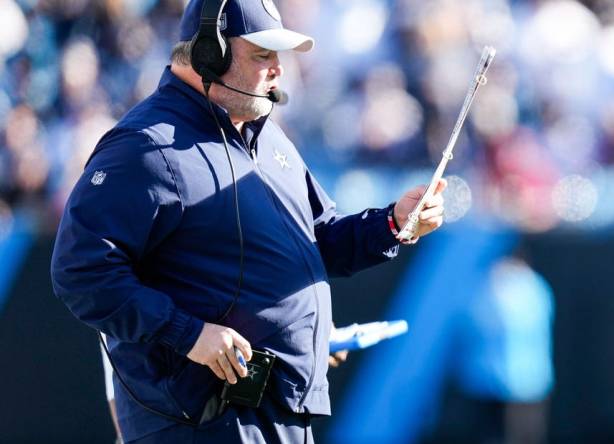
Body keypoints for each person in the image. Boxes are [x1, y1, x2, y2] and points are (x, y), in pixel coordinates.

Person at [50, 0, 446, 442]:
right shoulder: (147, 146)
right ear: (209, 54)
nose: (279, 69)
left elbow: (317, 240)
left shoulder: (268, 138)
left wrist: (393, 223)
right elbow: (81, 270)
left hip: (274, 409)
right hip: (202, 420)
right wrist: (190, 334)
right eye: (263, 54)